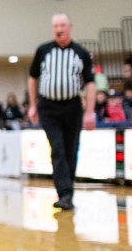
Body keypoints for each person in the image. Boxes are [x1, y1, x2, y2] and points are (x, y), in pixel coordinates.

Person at [27, 13, 95, 212]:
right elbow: (33, 78)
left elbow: (90, 83)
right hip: (48, 107)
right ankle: (64, 193)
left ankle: (67, 193)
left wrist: (90, 111)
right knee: (57, 148)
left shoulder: (81, 52)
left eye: (62, 25)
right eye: (55, 25)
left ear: (70, 27)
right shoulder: (43, 51)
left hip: (73, 106)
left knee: (71, 149)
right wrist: (32, 105)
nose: (59, 29)